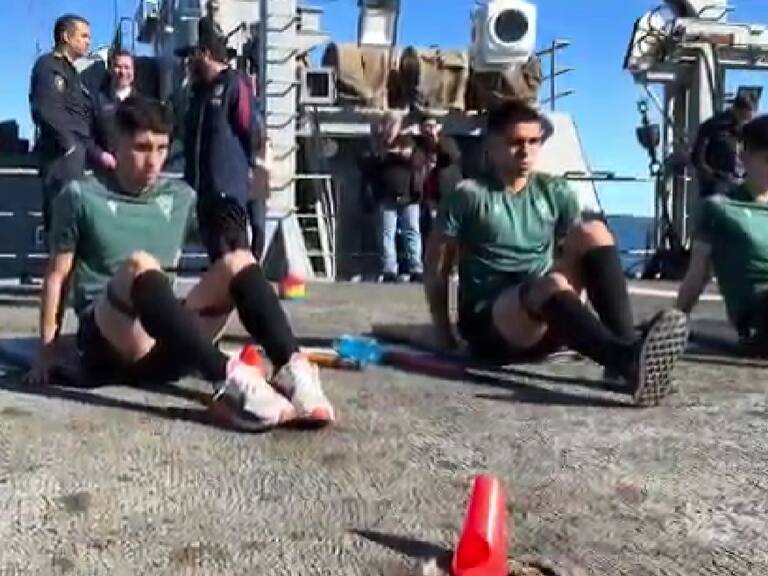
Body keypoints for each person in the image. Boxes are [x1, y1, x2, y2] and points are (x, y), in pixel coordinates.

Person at [25, 97, 334, 431]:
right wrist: (46, 351)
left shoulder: (180, 197)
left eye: (161, 148)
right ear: (116, 143)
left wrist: (250, 194)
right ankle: (227, 378)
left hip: (169, 342)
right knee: (140, 264)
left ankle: (292, 367)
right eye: (142, 147)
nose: (153, 161)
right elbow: (57, 275)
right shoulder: (81, 195)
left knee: (239, 260)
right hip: (109, 340)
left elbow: (226, 256)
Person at [424, 100, 689, 406]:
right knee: (547, 285)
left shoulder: (554, 190)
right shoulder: (468, 195)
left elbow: (578, 255)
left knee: (594, 232)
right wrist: (444, 335)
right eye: (515, 143)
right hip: (493, 324)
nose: (526, 151)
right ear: (492, 146)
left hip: (544, 310)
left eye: (533, 142)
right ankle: (625, 360)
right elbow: (437, 267)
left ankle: (626, 349)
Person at [179, 16, 268, 262]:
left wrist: (252, 171)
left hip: (227, 192)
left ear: (204, 53)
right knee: (217, 258)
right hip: (204, 191)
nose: (189, 62)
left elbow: (251, 129)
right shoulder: (198, 93)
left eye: (193, 55)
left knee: (234, 259)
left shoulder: (234, 85)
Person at [677, 115, 768, 352]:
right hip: (758, 316)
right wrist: (674, 320)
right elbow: (698, 275)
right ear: (744, 157)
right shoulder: (719, 208)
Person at [29, 14, 110, 235]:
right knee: (62, 228)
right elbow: (47, 110)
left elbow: (80, 117)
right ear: (66, 36)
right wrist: (70, 146)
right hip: (61, 161)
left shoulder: (72, 72)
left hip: (76, 159)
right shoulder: (49, 67)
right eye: (84, 36)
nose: (88, 41)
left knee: (75, 227)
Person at [360, 111, 424, 282]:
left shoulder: (408, 141)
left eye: (393, 125)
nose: (390, 129)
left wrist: (399, 153)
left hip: (409, 195)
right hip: (386, 196)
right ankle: (389, 269)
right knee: (386, 234)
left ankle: (415, 267)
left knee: (411, 231)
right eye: (387, 124)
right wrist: (382, 150)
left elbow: (416, 159)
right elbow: (368, 163)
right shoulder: (377, 144)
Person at [691, 95, 756, 199]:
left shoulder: (742, 131)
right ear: (738, 111)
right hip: (716, 183)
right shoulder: (713, 126)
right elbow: (697, 157)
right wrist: (713, 177)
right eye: (744, 117)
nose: (745, 121)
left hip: (737, 181)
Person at [414, 113, 463, 244]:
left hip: (448, 192)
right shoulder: (419, 145)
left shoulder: (447, 142)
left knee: (451, 228)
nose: (429, 130)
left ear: (438, 127)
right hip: (430, 195)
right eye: (426, 127)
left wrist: (437, 140)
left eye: (432, 126)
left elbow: (452, 157)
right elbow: (416, 163)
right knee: (433, 229)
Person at [90, 49, 137, 174]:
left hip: (133, 172)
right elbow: (86, 136)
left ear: (133, 72)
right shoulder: (96, 102)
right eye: (118, 67)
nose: (123, 72)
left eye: (127, 68)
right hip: (102, 171)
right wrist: (100, 155)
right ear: (110, 70)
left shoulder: (142, 104)